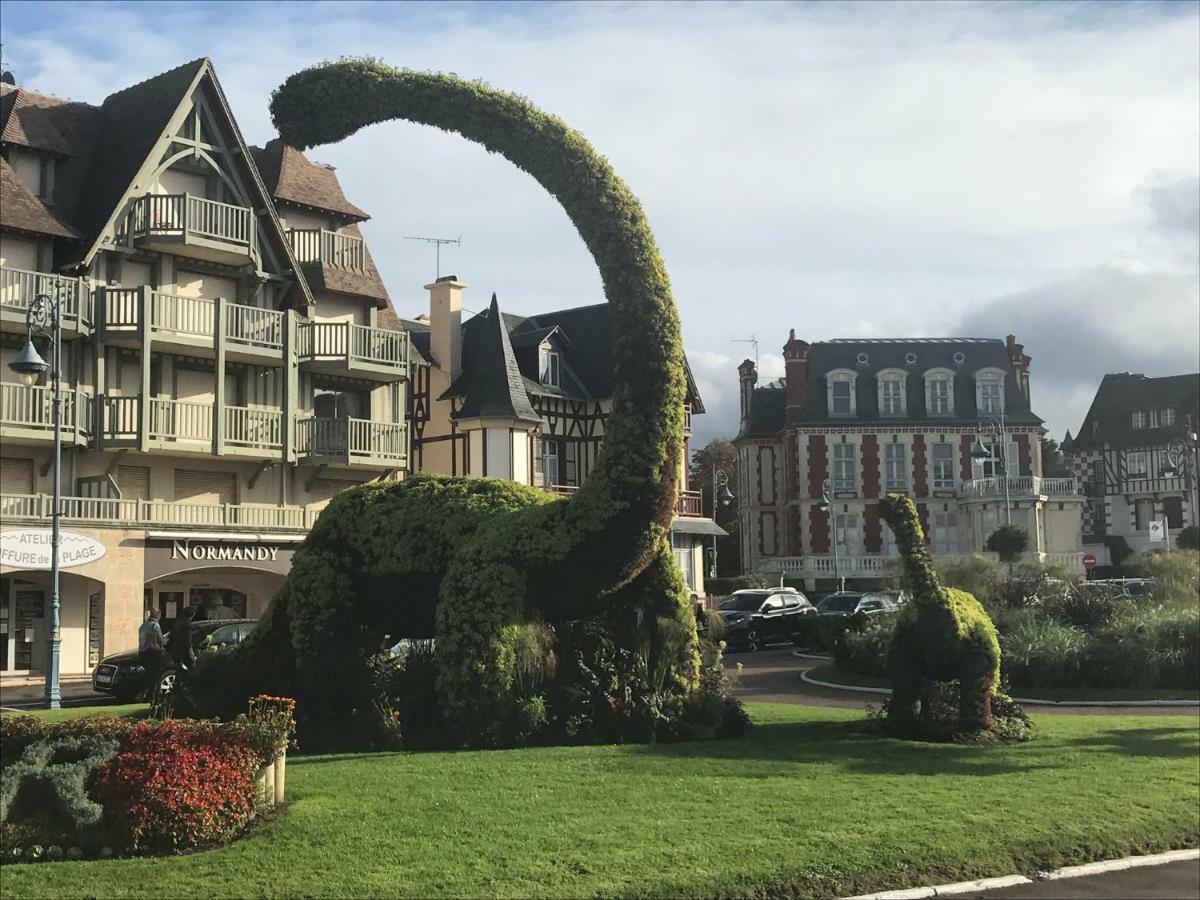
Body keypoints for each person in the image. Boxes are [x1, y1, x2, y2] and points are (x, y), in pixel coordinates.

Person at [137, 608, 164, 691]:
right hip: (152, 653)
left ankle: (144, 692)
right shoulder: (155, 625)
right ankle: (152, 693)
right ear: (157, 616)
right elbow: (160, 640)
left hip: (142, 652)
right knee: (154, 675)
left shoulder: (142, 626)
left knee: (146, 674)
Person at [169, 605, 197, 673]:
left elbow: (172, 635)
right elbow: (188, 642)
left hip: (175, 651)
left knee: (179, 672)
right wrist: (192, 656)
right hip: (184, 653)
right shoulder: (187, 625)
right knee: (191, 671)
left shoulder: (178, 622)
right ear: (192, 615)